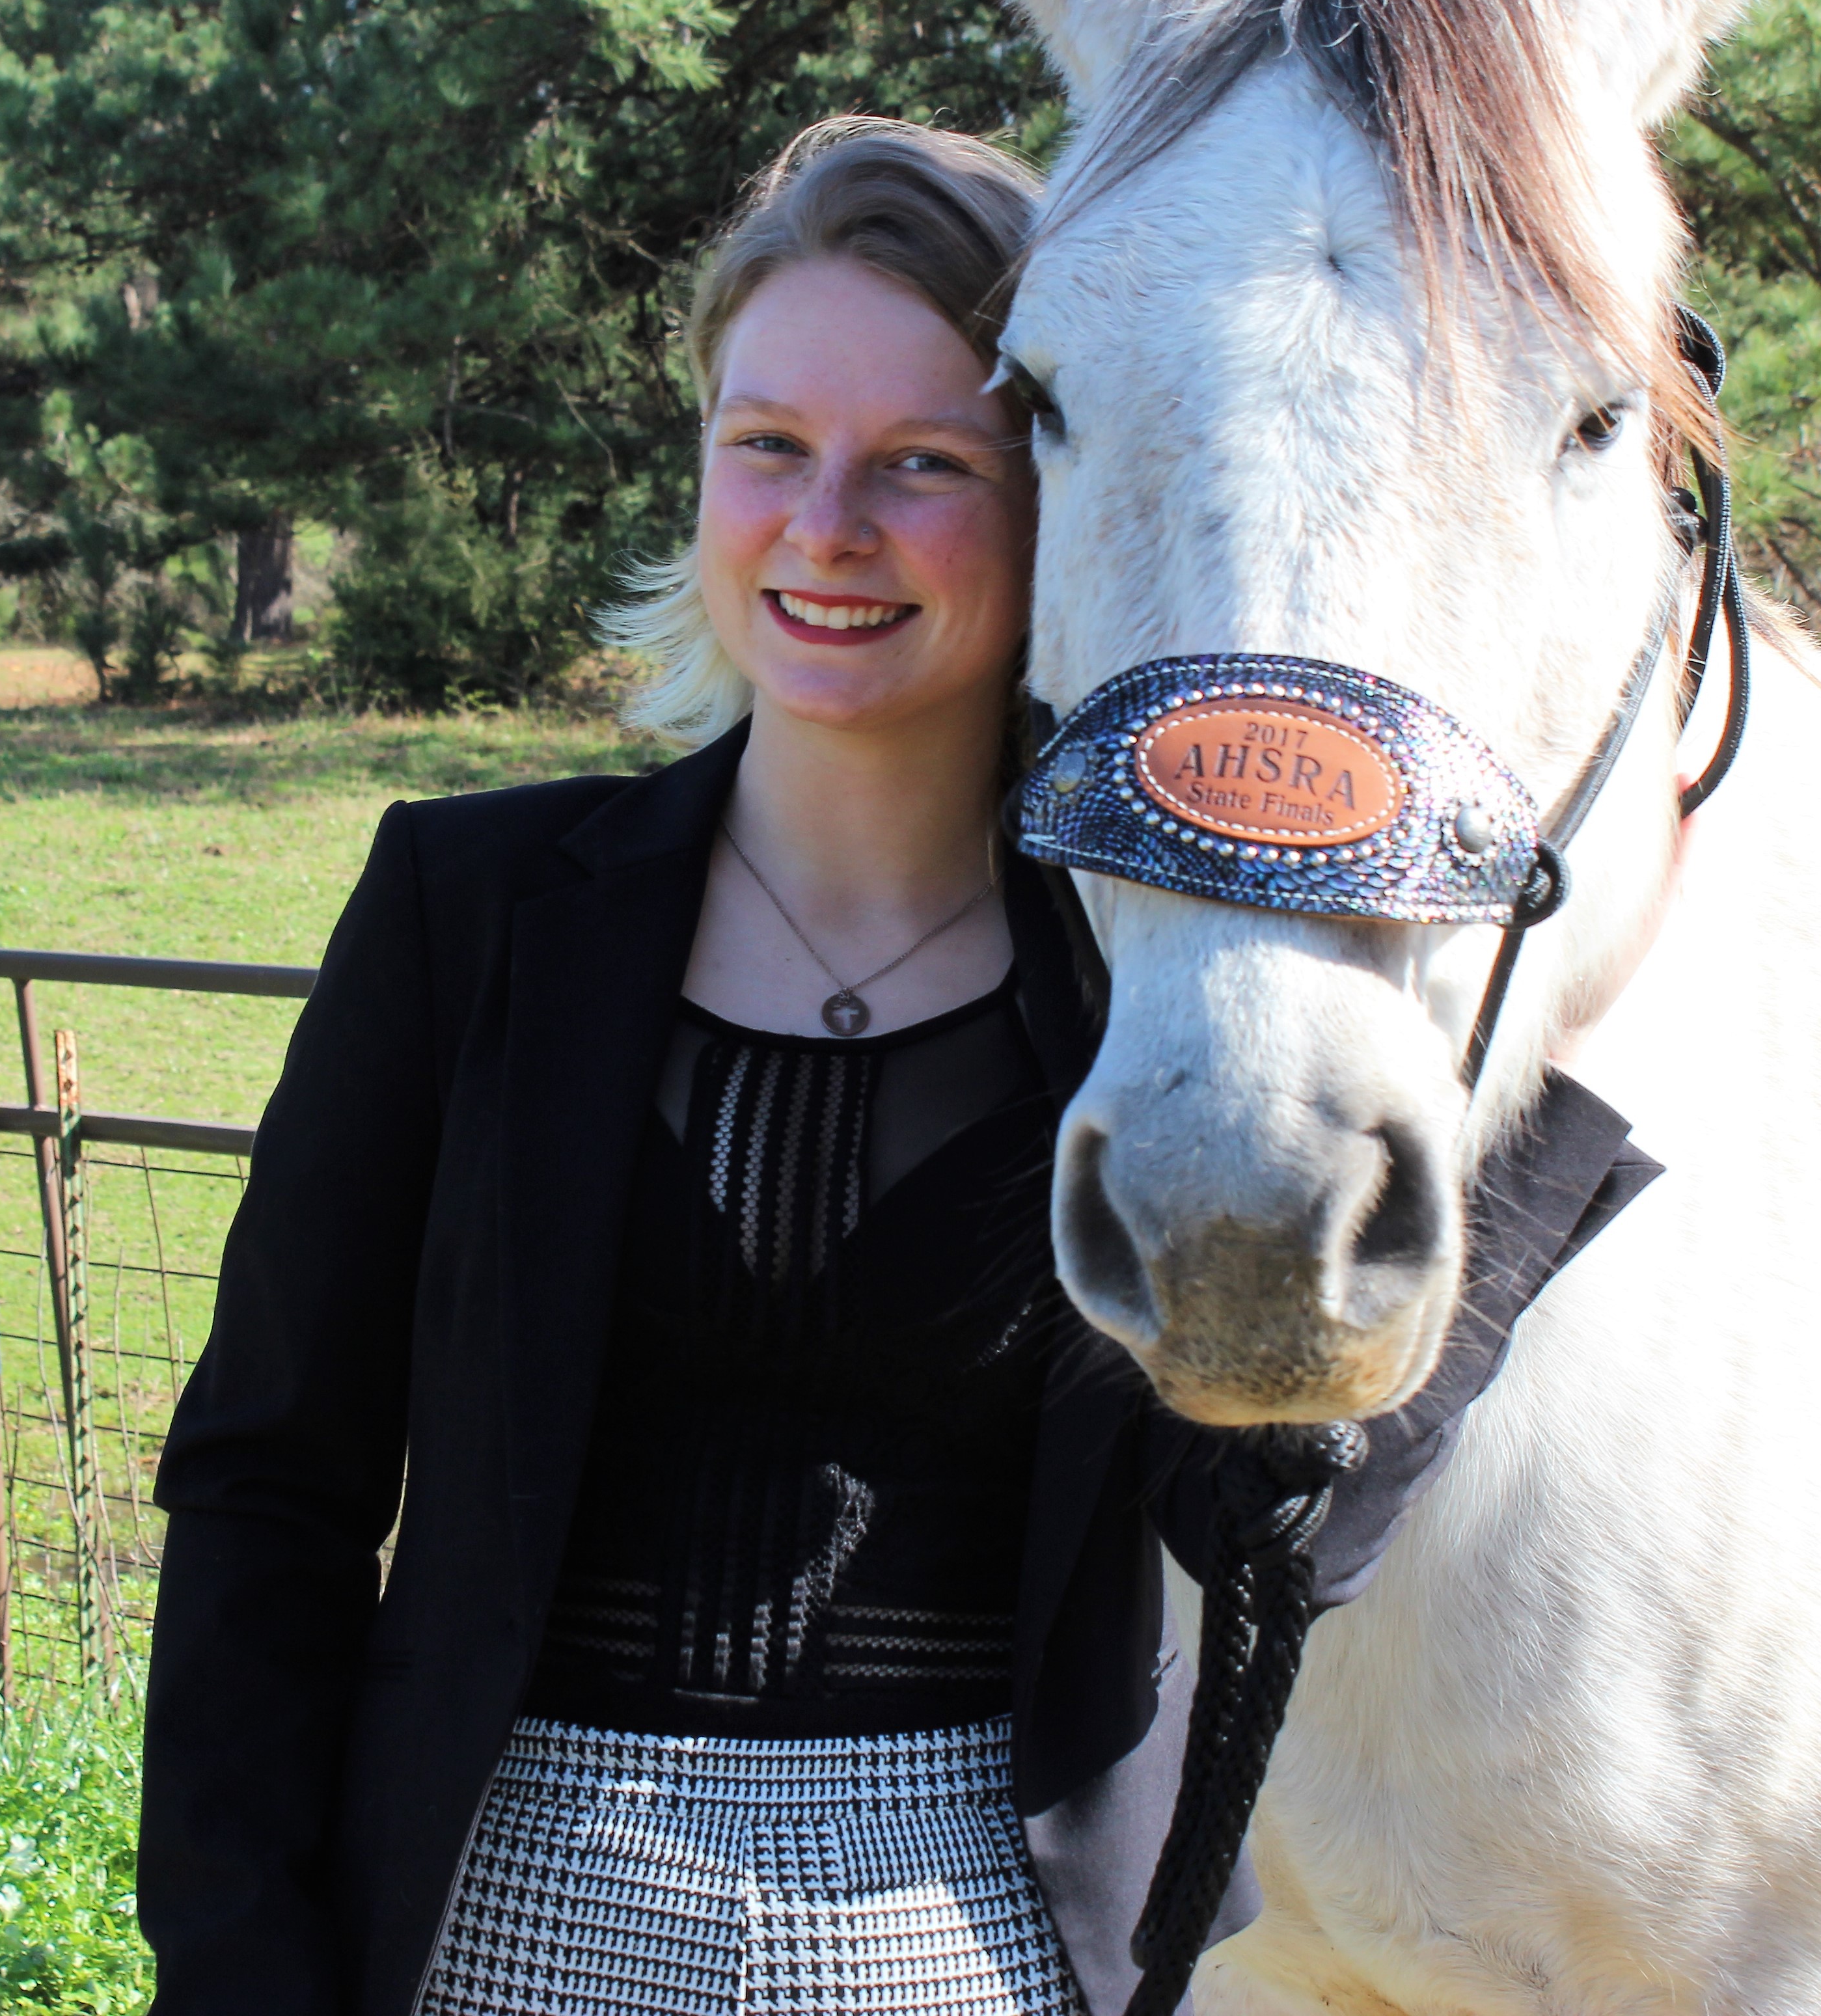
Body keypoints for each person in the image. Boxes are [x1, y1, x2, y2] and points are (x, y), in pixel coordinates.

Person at [137, 116, 1659, 2016]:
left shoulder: (1161, 1017)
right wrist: (233, 1963)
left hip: (976, 1951)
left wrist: (1514, 1120)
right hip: (494, 1917)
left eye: (922, 465)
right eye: (767, 444)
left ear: (1065, 501)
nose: (825, 526)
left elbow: (1261, 1531)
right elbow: (269, 1483)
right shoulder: (471, 907)